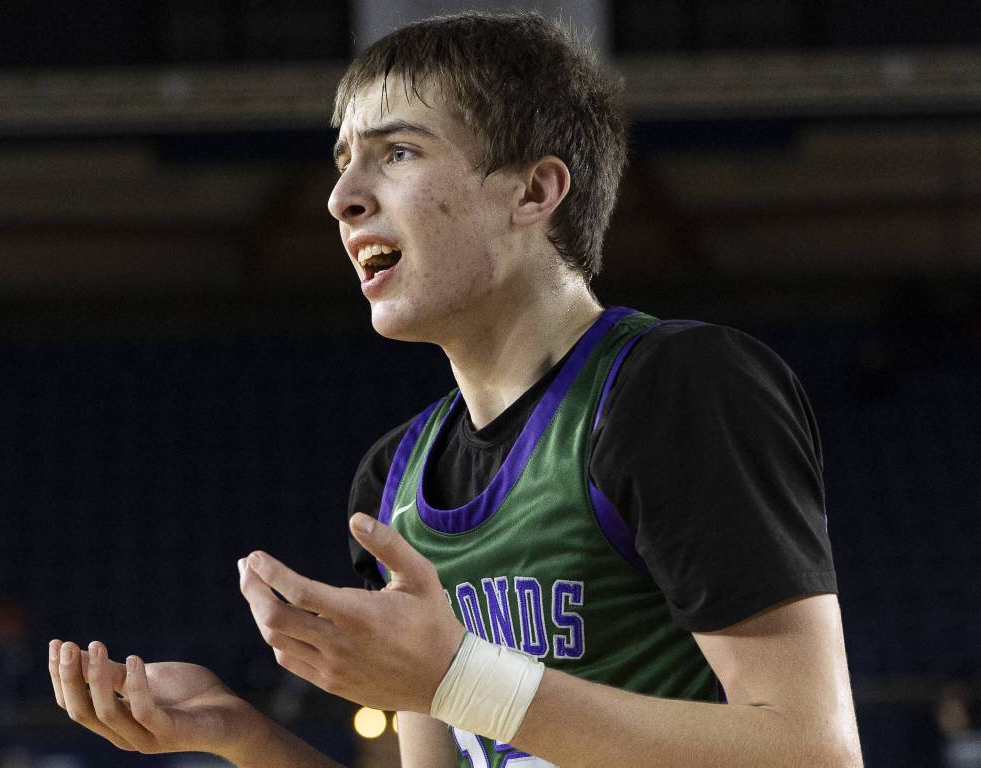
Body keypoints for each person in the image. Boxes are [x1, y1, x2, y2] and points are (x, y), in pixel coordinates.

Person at [48, 11, 864, 767]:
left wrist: (456, 678)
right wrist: (239, 735)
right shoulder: (391, 479)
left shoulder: (674, 387)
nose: (341, 199)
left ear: (535, 193)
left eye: (397, 153)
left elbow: (813, 751)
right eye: (344, 162)